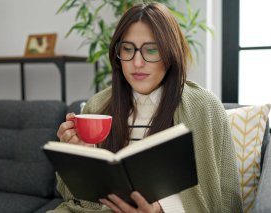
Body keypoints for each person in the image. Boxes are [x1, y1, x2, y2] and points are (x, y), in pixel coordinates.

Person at [51, 2, 243, 213]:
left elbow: (225, 199)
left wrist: (159, 209)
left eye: (151, 50)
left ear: (170, 53)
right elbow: (78, 201)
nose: (137, 62)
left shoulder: (205, 108)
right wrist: (74, 156)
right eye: (128, 49)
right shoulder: (97, 106)